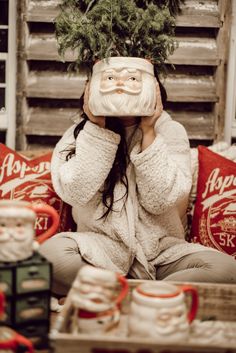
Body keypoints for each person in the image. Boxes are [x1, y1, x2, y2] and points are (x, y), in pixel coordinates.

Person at [39, 74, 236, 297]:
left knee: (227, 271)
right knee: (48, 258)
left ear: (153, 87)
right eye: (111, 78)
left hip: (162, 251)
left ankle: (116, 297)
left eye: (133, 78)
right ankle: (153, 298)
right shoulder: (78, 135)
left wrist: (149, 132)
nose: (121, 84)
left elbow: (160, 200)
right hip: (99, 248)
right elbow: (76, 193)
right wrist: (96, 129)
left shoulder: (171, 132)